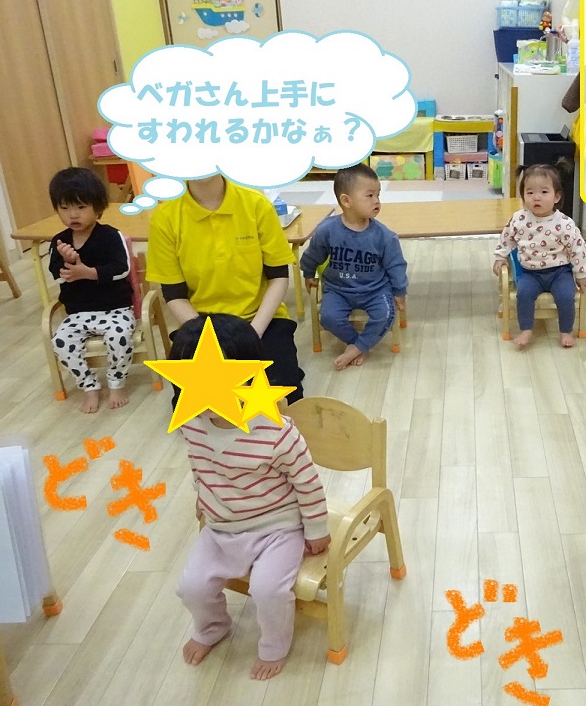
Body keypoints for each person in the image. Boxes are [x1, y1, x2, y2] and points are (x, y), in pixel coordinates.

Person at [172, 314, 331, 681]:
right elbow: (199, 462)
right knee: (191, 588)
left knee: (268, 591)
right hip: (220, 529)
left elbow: (307, 481)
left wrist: (316, 529)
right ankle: (213, 627)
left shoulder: (275, 431)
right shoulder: (191, 422)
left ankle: (275, 645)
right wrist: (202, 494)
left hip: (278, 529)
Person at [145, 174, 305, 404]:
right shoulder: (165, 217)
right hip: (200, 326)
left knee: (286, 398)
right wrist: (210, 342)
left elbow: (278, 277)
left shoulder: (256, 203)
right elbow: (174, 294)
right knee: (194, 406)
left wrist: (251, 335)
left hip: (260, 321)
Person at [299, 164, 408, 370]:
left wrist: (400, 291)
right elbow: (313, 254)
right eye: (369, 195)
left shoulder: (384, 236)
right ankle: (358, 344)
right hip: (338, 289)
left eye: (378, 195)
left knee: (386, 315)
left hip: (375, 290)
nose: (376, 201)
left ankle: (357, 348)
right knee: (328, 317)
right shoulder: (327, 230)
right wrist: (308, 272)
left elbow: (396, 265)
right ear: (346, 201)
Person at [47, 167, 135, 413]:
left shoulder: (110, 236)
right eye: (65, 208)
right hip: (78, 312)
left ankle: (116, 383)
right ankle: (89, 385)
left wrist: (87, 272)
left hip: (115, 309)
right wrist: (67, 263)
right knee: (60, 342)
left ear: (98, 208)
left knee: (119, 338)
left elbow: (121, 269)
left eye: (81, 207)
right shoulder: (59, 241)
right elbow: (57, 274)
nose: (73, 214)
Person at [493, 162, 586, 349]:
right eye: (530, 192)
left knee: (566, 296)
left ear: (556, 196)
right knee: (523, 294)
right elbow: (507, 238)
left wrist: (581, 273)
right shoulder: (519, 219)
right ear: (523, 196)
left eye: (544, 192)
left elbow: (578, 248)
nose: (536, 197)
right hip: (530, 273)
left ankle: (565, 331)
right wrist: (500, 256)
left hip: (559, 272)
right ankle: (526, 329)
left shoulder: (564, 223)